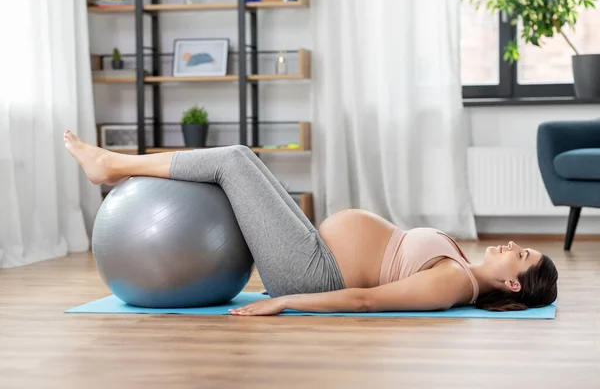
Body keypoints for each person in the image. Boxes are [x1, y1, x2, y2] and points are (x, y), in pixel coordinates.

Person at [64, 130, 558, 316]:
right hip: (313, 249)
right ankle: (114, 165)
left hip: (310, 271)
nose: (512, 244)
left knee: (234, 160)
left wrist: (285, 302)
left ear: (513, 281)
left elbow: (366, 301)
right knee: (247, 160)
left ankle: (112, 166)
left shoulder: (453, 283)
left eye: (521, 253)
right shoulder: (460, 266)